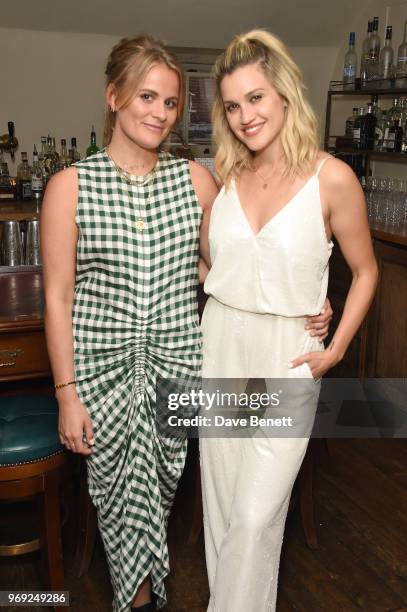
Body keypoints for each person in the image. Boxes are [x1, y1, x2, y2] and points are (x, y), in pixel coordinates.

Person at [198, 29, 378, 611]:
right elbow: (212, 260)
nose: (246, 115)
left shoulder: (332, 178)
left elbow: (367, 271)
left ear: (282, 95)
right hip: (221, 345)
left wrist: (337, 348)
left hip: (288, 358)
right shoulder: (225, 177)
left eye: (255, 97)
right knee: (224, 509)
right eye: (232, 104)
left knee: (254, 517)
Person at [41, 35, 218, 612]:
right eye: (147, 96)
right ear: (113, 96)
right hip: (102, 378)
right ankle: (140, 602)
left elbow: (225, 272)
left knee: (156, 500)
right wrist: (67, 394)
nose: (159, 113)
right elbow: (59, 299)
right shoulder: (70, 186)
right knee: (120, 506)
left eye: (170, 102)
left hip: (176, 370)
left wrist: (302, 301)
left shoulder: (194, 181)